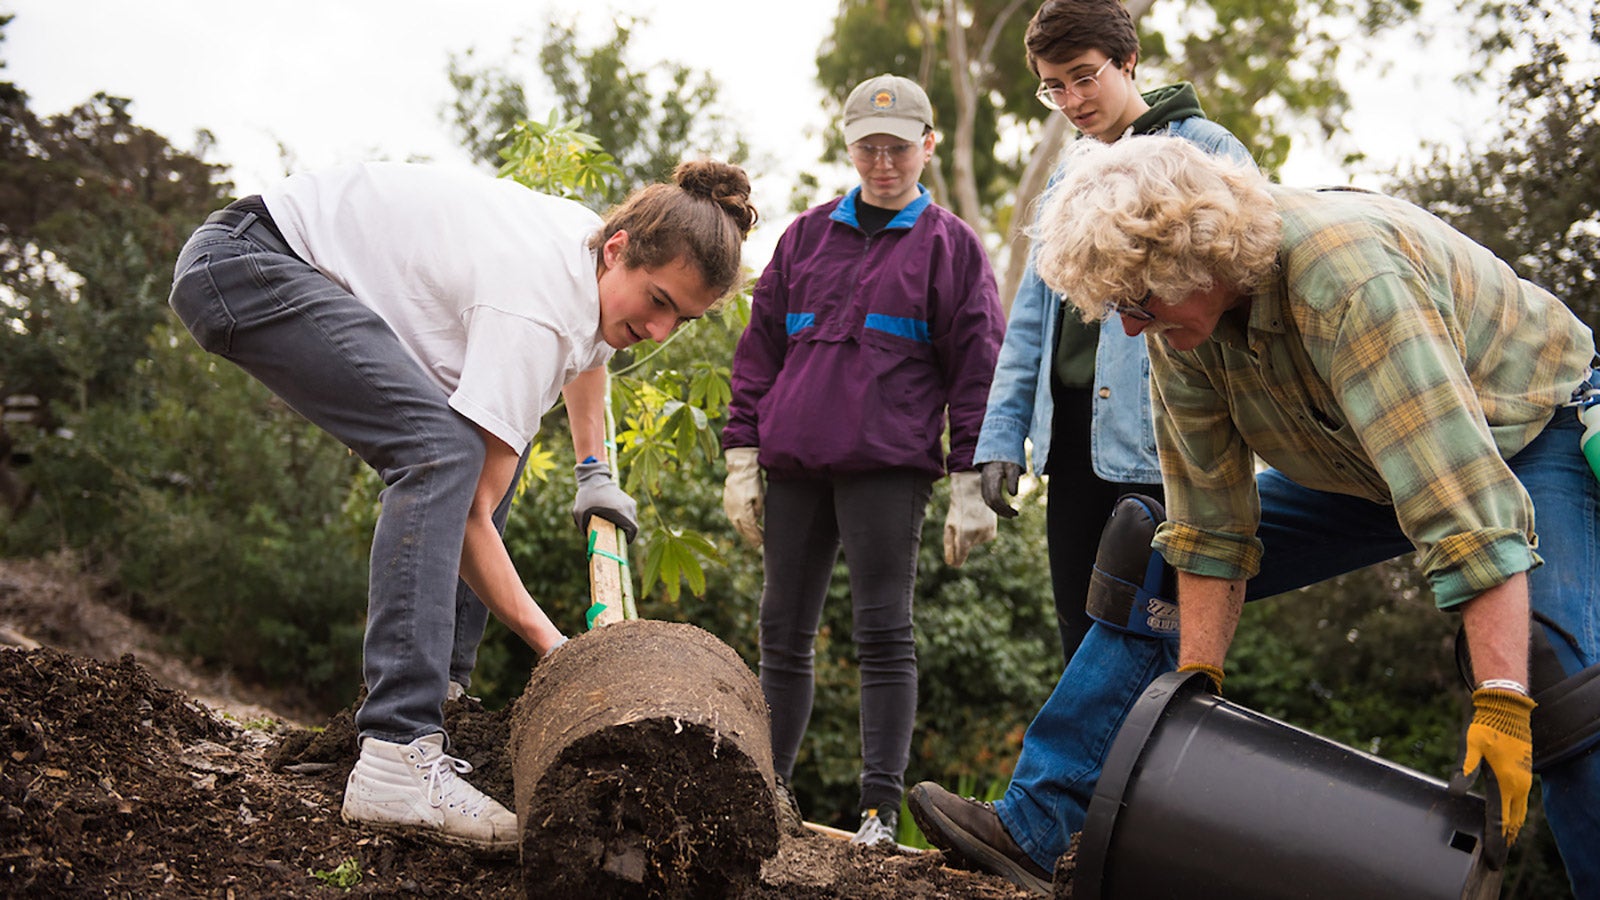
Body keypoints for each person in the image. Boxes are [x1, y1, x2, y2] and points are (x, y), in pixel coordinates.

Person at [908, 136, 1600, 898]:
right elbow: (1208, 525)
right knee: (1155, 558)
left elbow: (1461, 509)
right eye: (1118, 310)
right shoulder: (1182, 332)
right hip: (1361, 458)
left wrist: (1502, 701)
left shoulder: (1346, 283)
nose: (1131, 328)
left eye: (1138, 303)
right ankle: (1035, 829)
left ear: (1196, 260)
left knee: (1556, 676)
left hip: (1524, 432)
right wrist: (1193, 685)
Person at [168, 159, 757, 853]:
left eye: (681, 319)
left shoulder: (589, 256)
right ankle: (396, 750)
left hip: (263, 255)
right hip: (246, 264)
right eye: (658, 302)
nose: (661, 331)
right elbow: (472, 518)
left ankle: (440, 697)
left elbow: (590, 351)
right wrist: (562, 653)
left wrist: (593, 468)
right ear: (620, 248)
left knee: (473, 459)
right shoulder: (532, 302)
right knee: (440, 454)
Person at [721, 73, 1005, 846]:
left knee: (883, 633)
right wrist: (741, 454)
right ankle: (766, 793)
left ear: (928, 146)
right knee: (781, 629)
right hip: (796, 467)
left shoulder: (952, 249)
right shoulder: (805, 237)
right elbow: (759, 354)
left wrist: (970, 485)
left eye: (899, 148)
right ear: (848, 147)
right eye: (869, 148)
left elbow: (977, 369)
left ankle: (878, 811)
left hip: (889, 467)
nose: (884, 164)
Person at [973, 0, 1252, 666]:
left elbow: (1243, 301)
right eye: (1053, 85)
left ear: (1128, 61)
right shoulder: (1068, 168)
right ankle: (1088, 776)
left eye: (1083, 76)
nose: (1070, 98)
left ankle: (1159, 772)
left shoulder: (1210, 151)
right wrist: (1002, 432)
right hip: (1070, 438)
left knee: (1159, 637)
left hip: (1171, 438)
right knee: (1081, 628)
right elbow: (1034, 315)